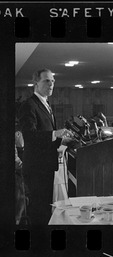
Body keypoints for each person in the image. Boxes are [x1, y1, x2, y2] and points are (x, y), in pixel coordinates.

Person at [18, 68, 74, 224]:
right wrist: (55, 134)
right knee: (38, 211)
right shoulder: (29, 105)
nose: (51, 84)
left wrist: (61, 141)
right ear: (35, 83)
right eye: (46, 81)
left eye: (53, 81)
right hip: (36, 168)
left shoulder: (46, 105)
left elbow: (45, 139)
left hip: (45, 166)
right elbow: (29, 136)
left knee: (44, 209)